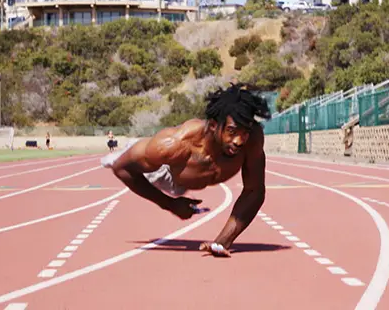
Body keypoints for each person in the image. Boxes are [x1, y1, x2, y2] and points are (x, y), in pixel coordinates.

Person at [101, 83, 271, 257]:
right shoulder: (174, 145)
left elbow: (254, 190)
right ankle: (128, 148)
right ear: (213, 126)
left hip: (191, 174)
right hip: (166, 174)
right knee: (127, 159)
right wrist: (169, 204)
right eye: (232, 131)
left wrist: (222, 241)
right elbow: (122, 170)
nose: (239, 141)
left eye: (245, 132)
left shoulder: (252, 140)